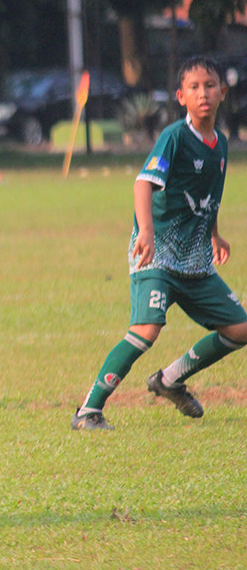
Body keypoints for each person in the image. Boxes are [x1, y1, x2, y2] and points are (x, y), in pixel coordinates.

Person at [72, 55, 247, 431]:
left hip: (196, 258)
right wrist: (146, 231)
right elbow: (142, 183)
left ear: (223, 93)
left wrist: (214, 233)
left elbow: (208, 194)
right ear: (181, 96)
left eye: (210, 86)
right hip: (158, 252)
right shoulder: (174, 137)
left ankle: (169, 380)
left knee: (240, 329)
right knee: (146, 331)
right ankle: (88, 410)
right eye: (195, 87)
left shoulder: (221, 145)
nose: (204, 93)